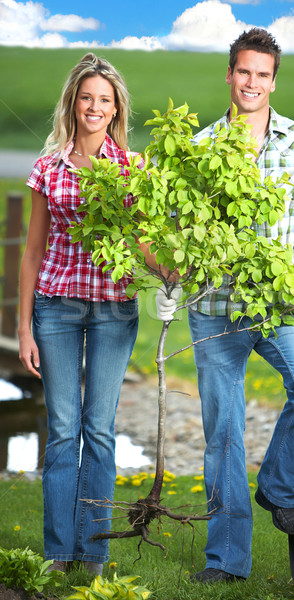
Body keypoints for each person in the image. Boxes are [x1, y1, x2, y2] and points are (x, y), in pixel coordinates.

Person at [156, 28, 294, 583]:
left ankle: (277, 488)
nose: (252, 82)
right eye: (243, 71)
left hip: (280, 306)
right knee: (222, 430)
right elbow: (174, 231)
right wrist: (167, 279)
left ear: (274, 79)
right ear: (229, 73)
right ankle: (226, 563)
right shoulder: (198, 149)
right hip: (215, 307)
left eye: (262, 74)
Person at [18, 53, 161, 575]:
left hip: (113, 310)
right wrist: (22, 327)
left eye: (105, 99)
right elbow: (32, 252)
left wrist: (170, 275)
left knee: (99, 429)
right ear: (73, 104)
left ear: (116, 107)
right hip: (55, 308)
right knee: (62, 429)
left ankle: (94, 552)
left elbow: (146, 240)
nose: (95, 107)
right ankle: (59, 553)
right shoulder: (49, 166)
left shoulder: (133, 169)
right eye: (87, 98)